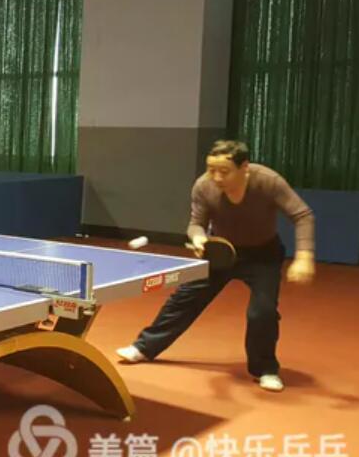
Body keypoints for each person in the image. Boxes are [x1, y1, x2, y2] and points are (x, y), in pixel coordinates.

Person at [116, 140, 315, 392]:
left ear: (244, 167)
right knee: (184, 298)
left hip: (263, 255)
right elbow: (196, 224)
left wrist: (304, 255)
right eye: (211, 170)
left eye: (224, 171)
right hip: (221, 252)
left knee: (262, 313)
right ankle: (144, 347)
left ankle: (265, 369)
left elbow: (302, 215)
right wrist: (199, 238)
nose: (217, 177)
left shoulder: (268, 182)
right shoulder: (203, 186)